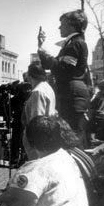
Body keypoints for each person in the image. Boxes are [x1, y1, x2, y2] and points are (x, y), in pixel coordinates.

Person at [38, 9, 91, 147]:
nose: (59, 27)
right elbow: (50, 66)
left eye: (62, 24)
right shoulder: (72, 43)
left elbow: (64, 70)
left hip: (72, 97)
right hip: (70, 95)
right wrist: (41, 46)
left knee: (71, 142)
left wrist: (47, 54)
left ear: (72, 25)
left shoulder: (75, 43)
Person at [22, 63, 57, 127]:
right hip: (49, 129)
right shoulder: (48, 87)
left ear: (31, 76)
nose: (26, 76)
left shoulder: (38, 92)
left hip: (40, 133)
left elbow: (37, 120)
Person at [89, 80, 104, 146]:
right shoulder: (99, 97)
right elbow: (90, 106)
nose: (103, 92)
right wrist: (96, 98)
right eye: (101, 90)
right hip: (99, 125)